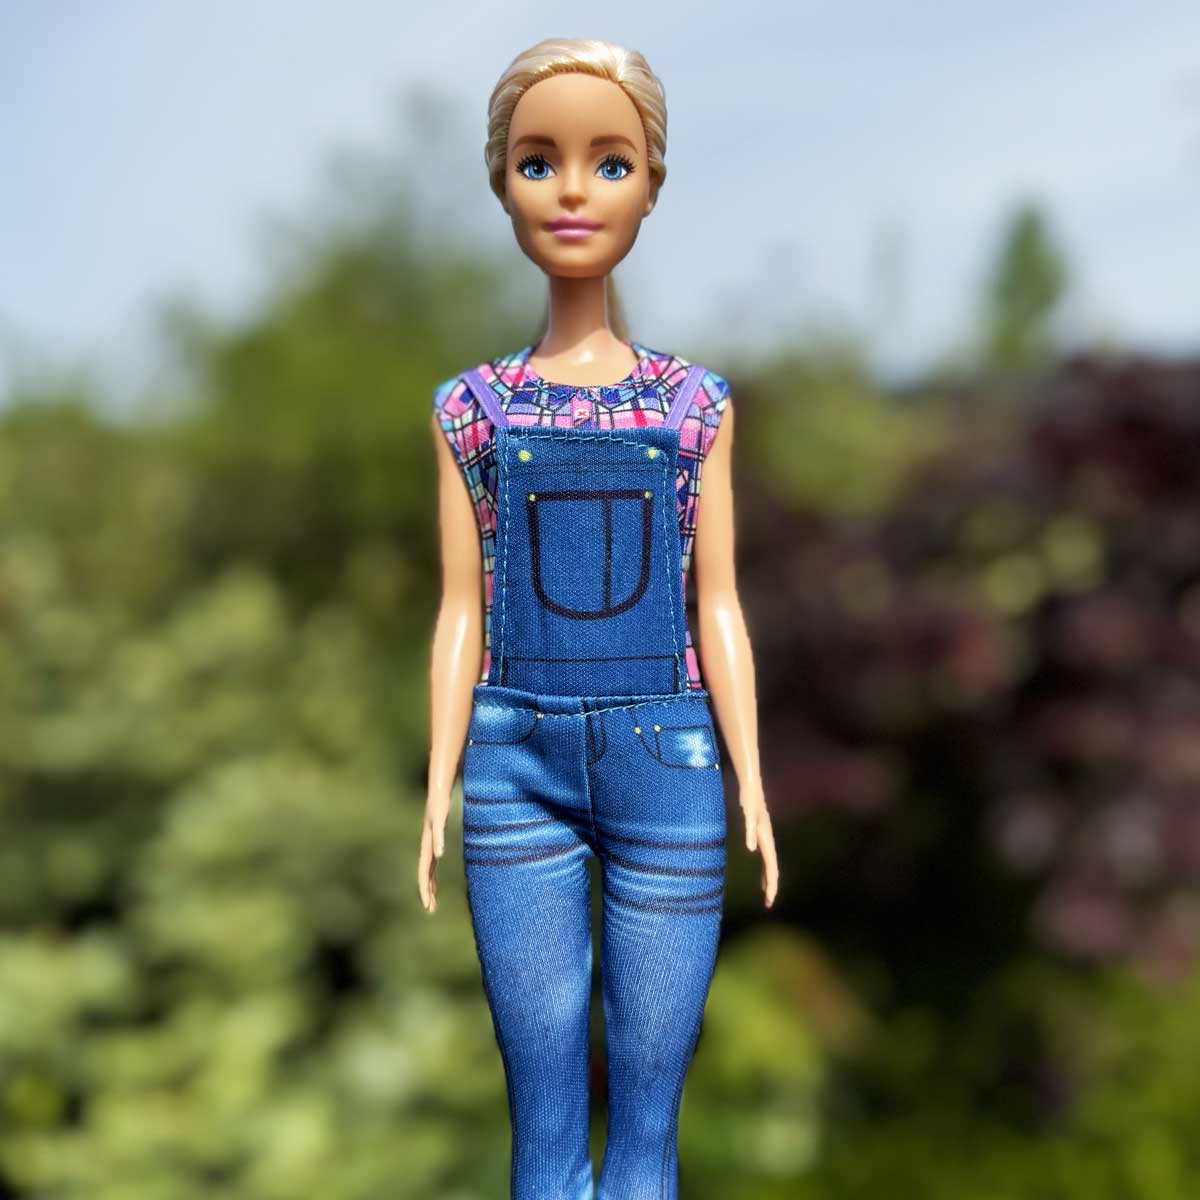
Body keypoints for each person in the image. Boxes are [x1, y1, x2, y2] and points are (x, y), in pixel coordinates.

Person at [418, 37, 778, 1200]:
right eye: (539, 162)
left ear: (651, 184)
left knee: (649, 1125)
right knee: (542, 1124)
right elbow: (461, 606)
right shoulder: (471, 409)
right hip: (511, 763)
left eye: (609, 162)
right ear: (501, 182)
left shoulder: (695, 406)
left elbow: (716, 599)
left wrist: (749, 775)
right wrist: (440, 777)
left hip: (668, 762)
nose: (573, 192)